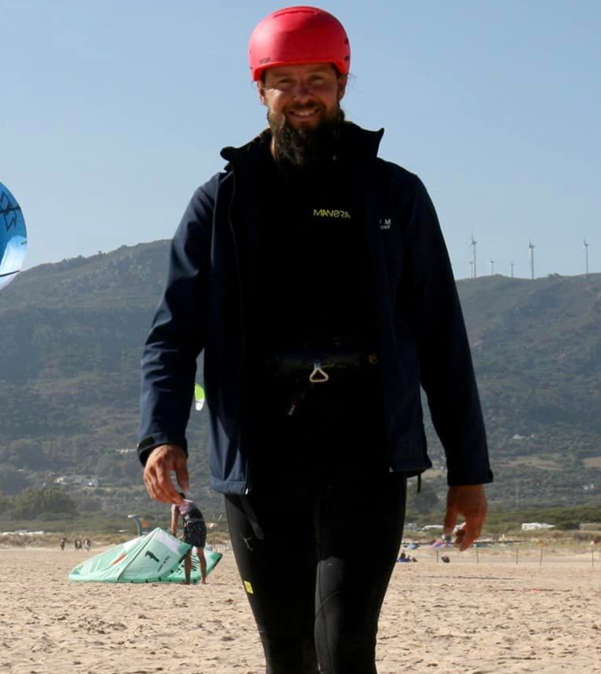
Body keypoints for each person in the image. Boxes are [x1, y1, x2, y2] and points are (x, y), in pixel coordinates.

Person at [138, 7, 492, 673]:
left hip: (367, 451)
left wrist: (468, 472)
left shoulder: (395, 196)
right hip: (261, 455)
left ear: (342, 82)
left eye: (318, 79)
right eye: (286, 80)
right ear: (260, 89)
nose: (303, 94)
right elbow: (172, 334)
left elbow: (444, 338)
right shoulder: (223, 202)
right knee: (288, 652)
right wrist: (160, 433)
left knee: (346, 648)